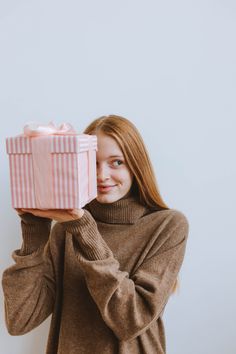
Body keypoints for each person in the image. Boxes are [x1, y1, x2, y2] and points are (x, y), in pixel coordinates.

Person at [2, 115, 189, 354]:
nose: (102, 175)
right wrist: (34, 230)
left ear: (136, 165)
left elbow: (132, 321)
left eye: (116, 162)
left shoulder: (167, 226)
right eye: (92, 162)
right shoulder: (66, 230)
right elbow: (20, 320)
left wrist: (85, 232)